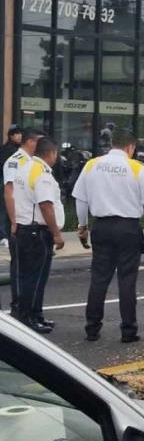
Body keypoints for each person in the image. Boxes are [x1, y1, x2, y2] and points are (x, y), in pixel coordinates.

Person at [73, 128, 144, 343]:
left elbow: (81, 199)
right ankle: (128, 331)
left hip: (101, 226)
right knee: (127, 280)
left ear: (112, 143)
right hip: (128, 228)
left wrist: (82, 225)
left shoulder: (92, 165)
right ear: (130, 147)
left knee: (99, 279)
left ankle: (92, 328)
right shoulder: (136, 167)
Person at [14, 137, 65, 333]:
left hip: (24, 229)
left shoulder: (25, 167)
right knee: (36, 279)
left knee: (27, 276)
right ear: (51, 153)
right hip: (37, 233)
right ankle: (30, 320)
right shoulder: (42, 173)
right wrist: (57, 233)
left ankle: (34, 315)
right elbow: (46, 205)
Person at [4, 127, 44, 321]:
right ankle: (18, 308)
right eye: (39, 142)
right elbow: (9, 192)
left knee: (33, 270)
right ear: (30, 142)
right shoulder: (15, 161)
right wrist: (14, 221)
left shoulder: (33, 163)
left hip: (33, 221)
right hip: (21, 221)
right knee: (20, 268)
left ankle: (32, 311)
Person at [0, 125, 23, 247]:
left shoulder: (13, 149)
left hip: (8, 182)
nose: (20, 136)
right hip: (7, 182)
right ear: (11, 135)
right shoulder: (11, 150)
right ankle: (3, 235)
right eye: (17, 133)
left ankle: (5, 235)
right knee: (5, 209)